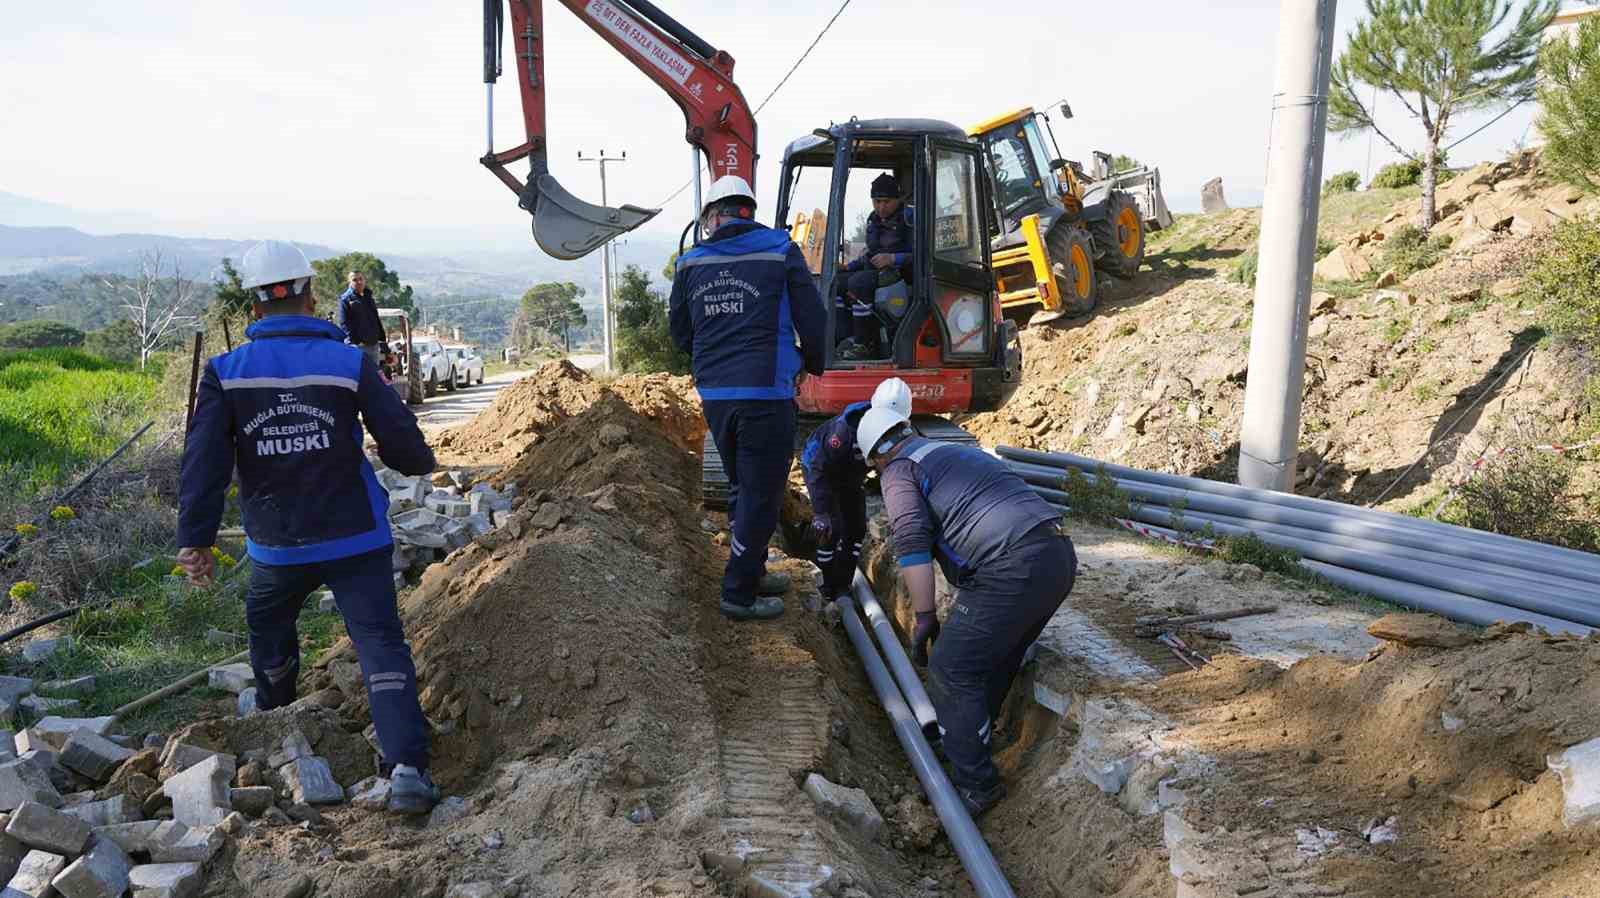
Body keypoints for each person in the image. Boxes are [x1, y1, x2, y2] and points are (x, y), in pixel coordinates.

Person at [176, 239, 439, 815]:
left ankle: (275, 728)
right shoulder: (348, 362)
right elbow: (404, 446)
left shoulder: (226, 372)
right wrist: (421, 461)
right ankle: (408, 773)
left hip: (277, 547)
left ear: (252, 308)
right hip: (356, 539)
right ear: (311, 295)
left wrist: (194, 539)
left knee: (269, 634)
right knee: (379, 646)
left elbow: (204, 465)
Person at [856, 404, 1076, 817]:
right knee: (995, 660)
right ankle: (968, 740)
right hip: (1057, 555)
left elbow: (911, 543)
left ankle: (976, 784)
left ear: (877, 456)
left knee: (950, 669)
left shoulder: (898, 471)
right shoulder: (950, 451)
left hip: (1009, 566)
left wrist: (923, 616)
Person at [669, 175, 829, 621]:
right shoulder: (779, 249)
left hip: (717, 394)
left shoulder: (690, 263)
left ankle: (753, 569)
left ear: (713, 216)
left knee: (744, 485)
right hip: (766, 392)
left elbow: (680, 332)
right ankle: (738, 592)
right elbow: (812, 318)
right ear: (747, 210)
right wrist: (810, 362)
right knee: (762, 492)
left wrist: (715, 358)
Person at [801, 378, 913, 598]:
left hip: (851, 476)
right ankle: (824, 585)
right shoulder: (843, 433)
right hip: (823, 473)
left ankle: (843, 586)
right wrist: (821, 513)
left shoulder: (897, 429)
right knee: (831, 529)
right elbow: (818, 469)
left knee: (855, 528)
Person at [838, 173, 914, 360]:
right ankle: (843, 338)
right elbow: (871, 254)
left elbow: (923, 254)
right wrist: (849, 266)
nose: (881, 207)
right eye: (876, 201)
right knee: (837, 283)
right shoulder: (873, 220)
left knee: (859, 283)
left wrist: (893, 258)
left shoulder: (910, 218)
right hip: (878, 271)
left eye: (886, 201)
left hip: (903, 273)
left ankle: (864, 344)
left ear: (898, 199)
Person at [338, 272, 387, 365]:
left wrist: (381, 338)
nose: (358, 282)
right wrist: (356, 342)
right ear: (349, 282)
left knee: (374, 375)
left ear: (364, 281)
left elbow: (375, 319)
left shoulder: (368, 297)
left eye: (361, 279)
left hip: (373, 345)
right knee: (359, 376)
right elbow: (344, 323)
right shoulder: (345, 299)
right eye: (355, 280)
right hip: (358, 347)